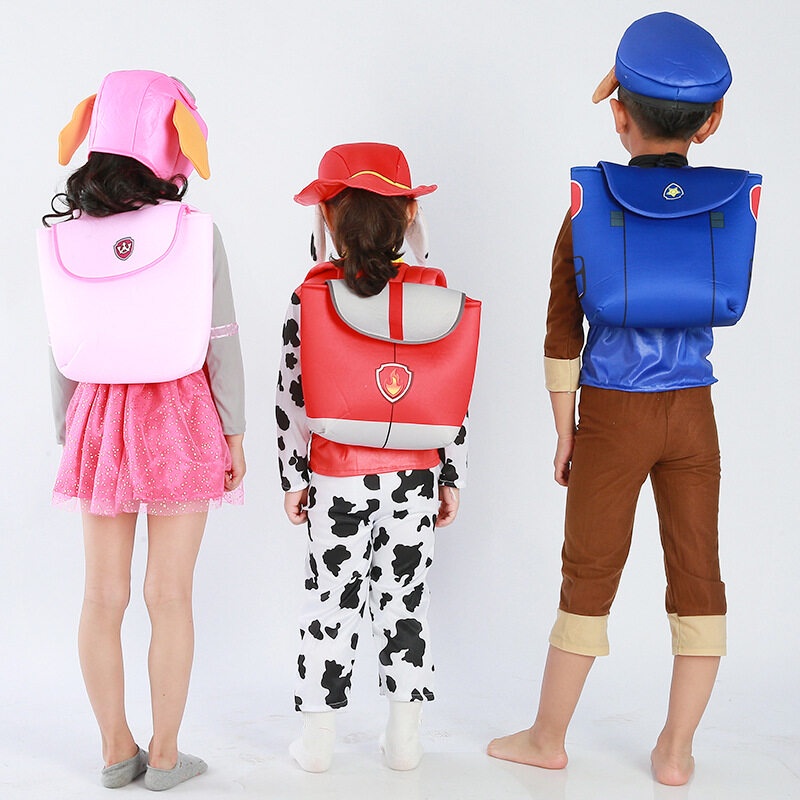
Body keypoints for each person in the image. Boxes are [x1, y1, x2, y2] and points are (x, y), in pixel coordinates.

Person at [487, 13, 758, 786]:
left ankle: (547, 738)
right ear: (712, 121)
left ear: (618, 113)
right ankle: (676, 750)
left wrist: (565, 432)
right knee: (699, 575)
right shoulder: (725, 204)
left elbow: (561, 332)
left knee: (589, 573)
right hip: (694, 413)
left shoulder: (589, 208)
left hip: (612, 409)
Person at [38, 70, 246, 790]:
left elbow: (64, 342)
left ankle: (114, 749)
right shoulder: (194, 233)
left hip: (98, 414)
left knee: (101, 595)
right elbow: (220, 337)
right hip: (180, 413)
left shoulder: (67, 238)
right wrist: (235, 430)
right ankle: (165, 755)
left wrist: (69, 429)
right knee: (170, 595)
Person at [277, 142, 476, 772]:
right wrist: (451, 476)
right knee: (405, 602)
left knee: (330, 602)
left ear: (327, 216)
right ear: (409, 214)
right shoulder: (435, 295)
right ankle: (405, 739)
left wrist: (293, 476)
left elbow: (292, 395)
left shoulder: (312, 296)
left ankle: (317, 743)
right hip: (414, 477)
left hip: (337, 478)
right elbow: (452, 394)